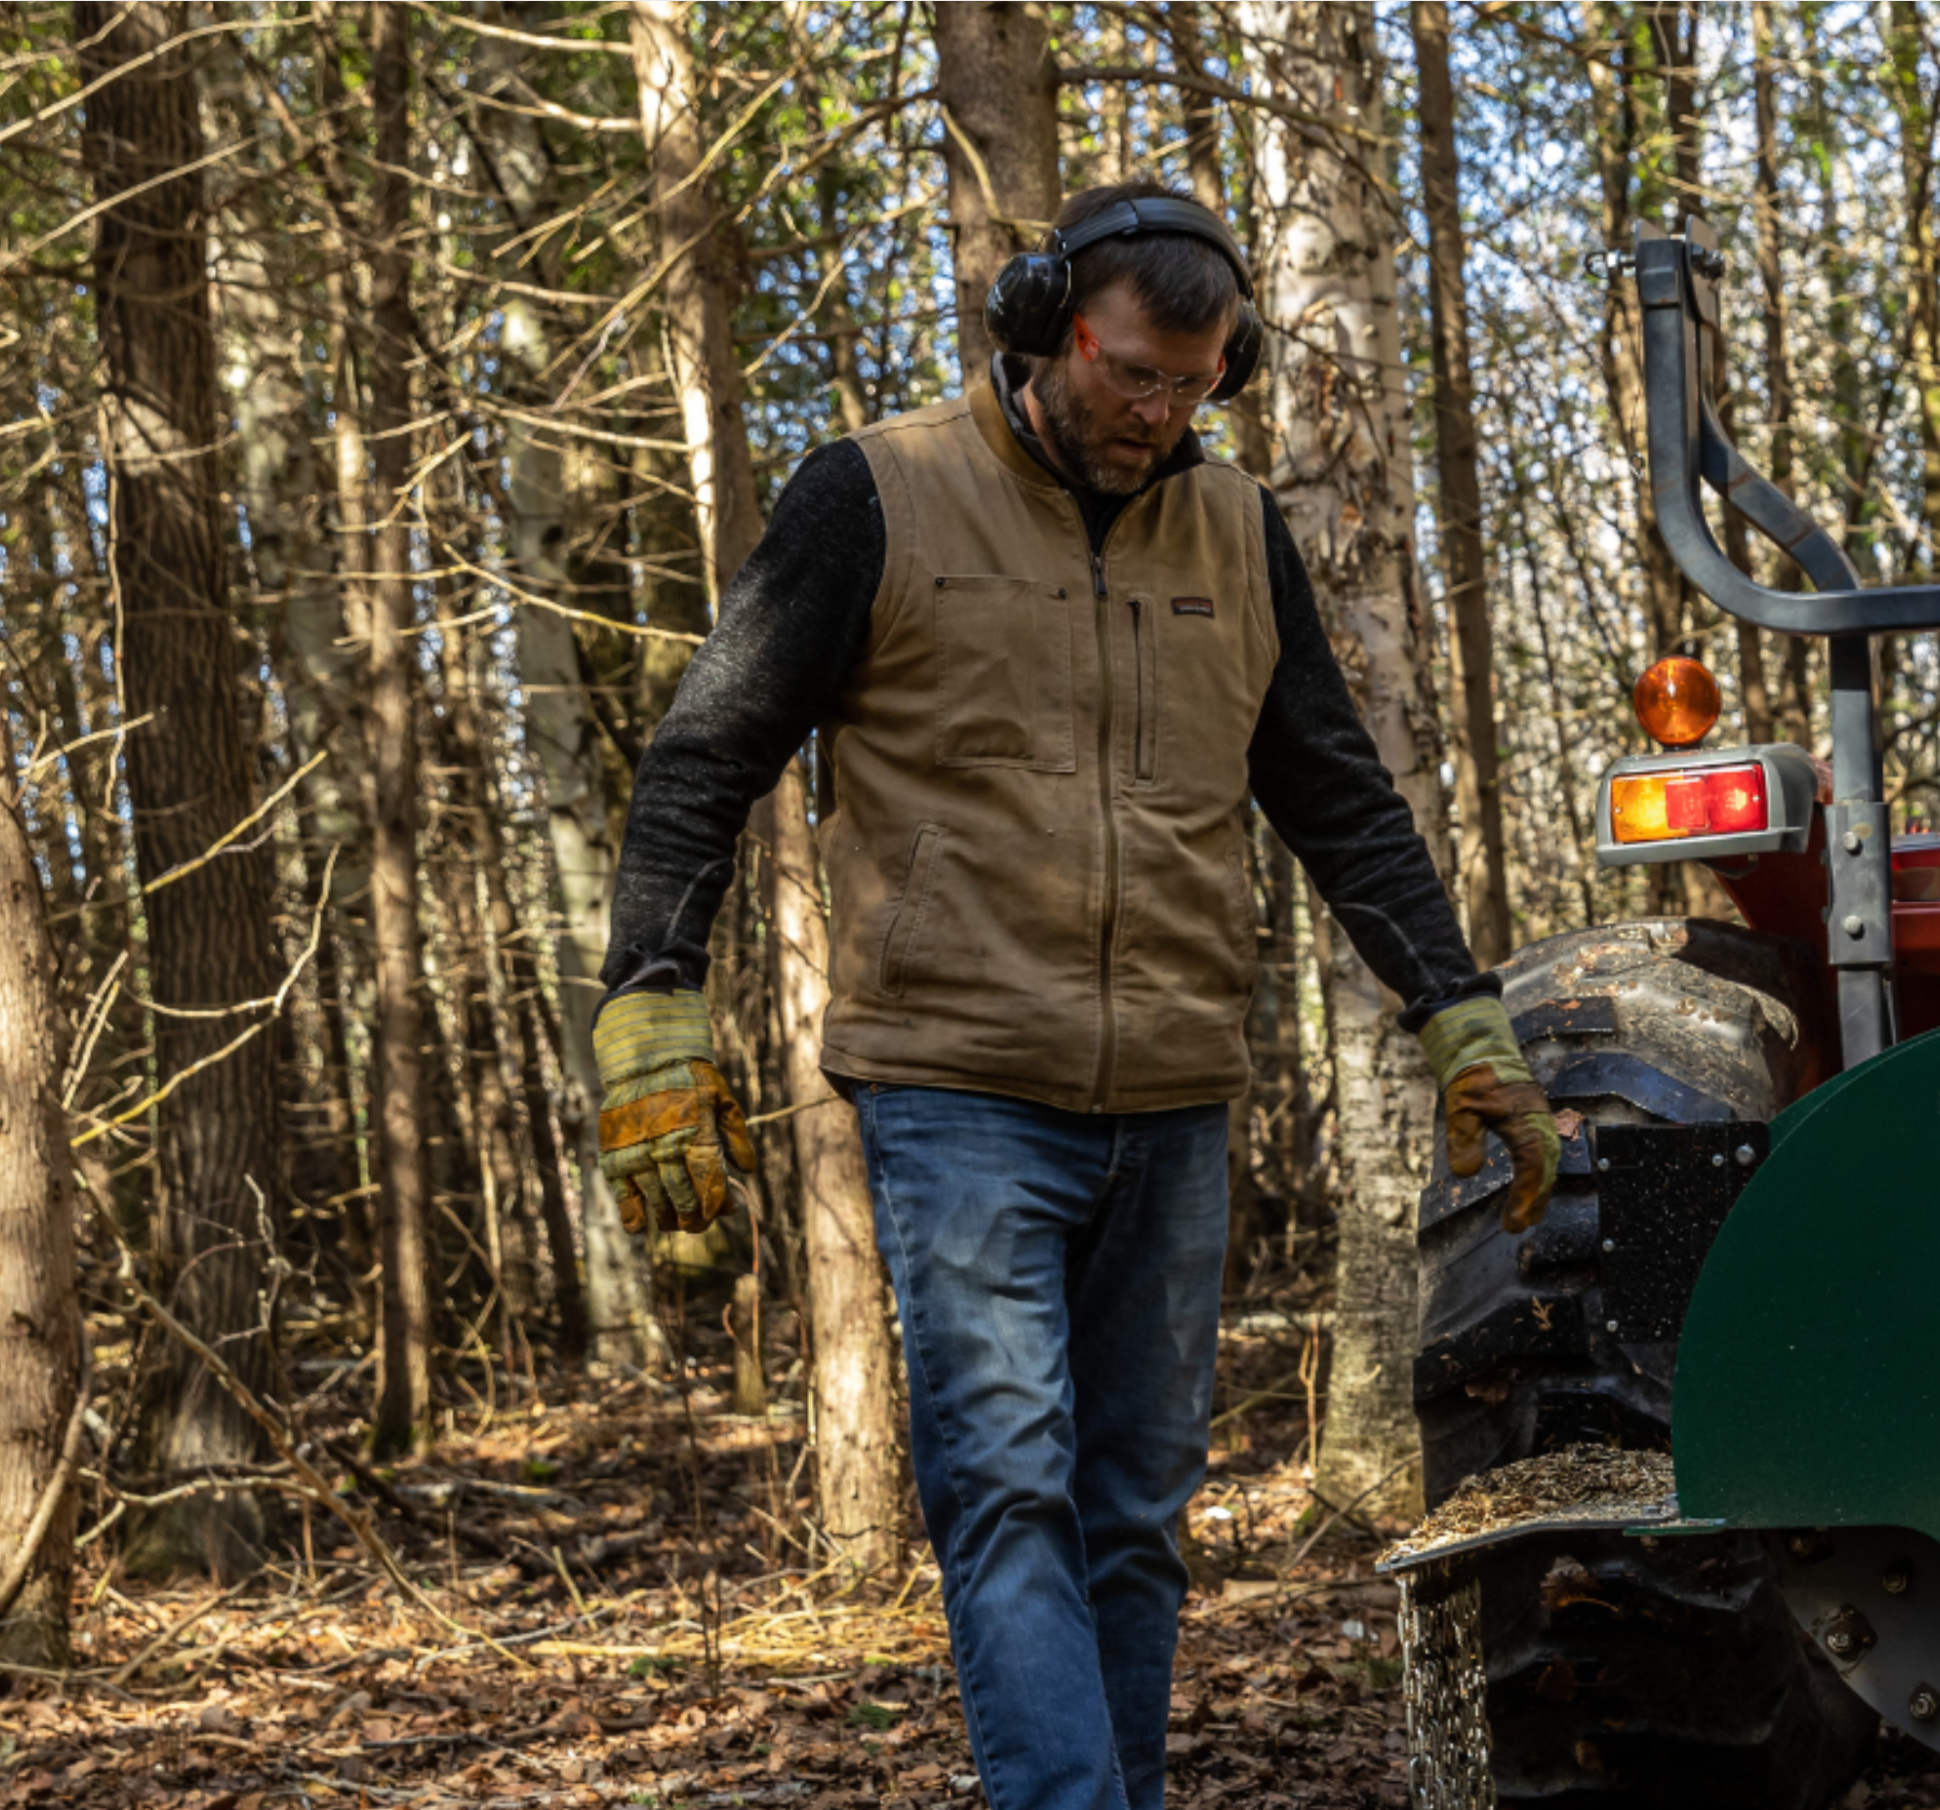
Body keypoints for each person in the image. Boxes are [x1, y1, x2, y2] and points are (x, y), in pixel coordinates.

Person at [587, 178, 1561, 1810]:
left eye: (1195, 383)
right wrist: (648, 1002)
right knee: (1010, 1489)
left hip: (1175, 1092)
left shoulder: (1235, 528)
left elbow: (1335, 793)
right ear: (1046, 330)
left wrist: (1455, 1006)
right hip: (958, 1088)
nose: (1158, 414)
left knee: (1133, 1509)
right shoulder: (874, 496)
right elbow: (703, 756)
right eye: (1130, 375)